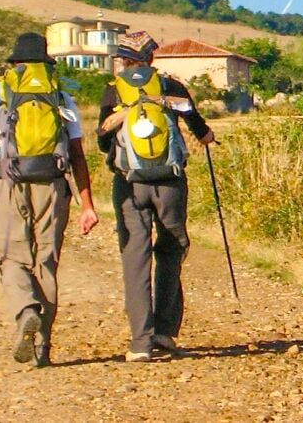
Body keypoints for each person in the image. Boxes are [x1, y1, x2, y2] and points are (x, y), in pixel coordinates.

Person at [97, 31, 214, 362]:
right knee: (172, 248)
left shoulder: (113, 91)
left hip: (129, 184)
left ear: (123, 60)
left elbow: (103, 141)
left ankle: (140, 341)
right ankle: (165, 330)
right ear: (150, 59)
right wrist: (207, 137)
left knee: (135, 258)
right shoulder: (171, 87)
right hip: (170, 183)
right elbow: (199, 128)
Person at [0, 32, 99, 367]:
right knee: (47, 263)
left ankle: (26, 309)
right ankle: (43, 346)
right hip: (53, 185)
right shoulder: (61, 97)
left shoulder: (0, 91)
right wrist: (87, 204)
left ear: (15, 64)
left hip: (8, 184)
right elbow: (77, 155)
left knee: (10, 258)